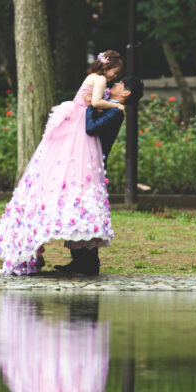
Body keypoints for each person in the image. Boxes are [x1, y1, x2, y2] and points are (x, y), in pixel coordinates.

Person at [0, 50, 125, 276]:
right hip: (80, 122)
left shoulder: (92, 77)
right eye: (115, 71)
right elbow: (95, 101)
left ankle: (80, 257)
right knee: (78, 163)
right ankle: (82, 258)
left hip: (73, 116)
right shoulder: (101, 79)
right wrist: (117, 106)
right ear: (108, 67)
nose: (114, 76)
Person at [53, 75, 144, 276]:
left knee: (85, 209)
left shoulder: (115, 113)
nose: (114, 84)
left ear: (126, 92)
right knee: (78, 209)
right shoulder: (112, 108)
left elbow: (91, 127)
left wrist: (90, 106)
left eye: (119, 84)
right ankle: (80, 261)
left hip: (91, 164)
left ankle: (88, 263)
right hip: (84, 161)